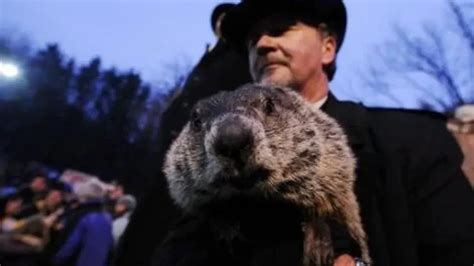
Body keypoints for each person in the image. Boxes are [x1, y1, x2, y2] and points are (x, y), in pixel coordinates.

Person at [218, 0, 474, 265]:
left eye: (280, 29)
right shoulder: (222, 172)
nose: (262, 44)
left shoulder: (412, 140)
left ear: (327, 48)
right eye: (251, 42)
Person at [114, 3, 252, 266]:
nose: (222, 23)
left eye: (228, 18)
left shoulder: (239, 57)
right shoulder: (209, 56)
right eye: (219, 19)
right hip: (170, 156)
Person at [51, 179, 113, 266]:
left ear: (84, 197)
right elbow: (110, 248)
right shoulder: (107, 219)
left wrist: (55, 260)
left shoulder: (81, 215)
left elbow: (70, 245)